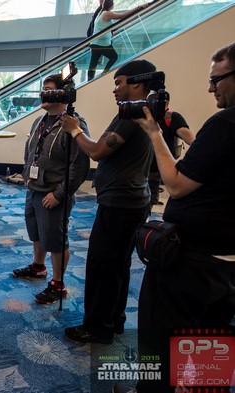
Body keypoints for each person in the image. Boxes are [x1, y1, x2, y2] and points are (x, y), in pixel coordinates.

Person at [118, 42, 235, 393]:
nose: (210, 88)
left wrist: (155, 132)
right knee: (213, 339)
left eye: (217, 79)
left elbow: (177, 183)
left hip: (191, 262)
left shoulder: (225, 123)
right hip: (226, 260)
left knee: (161, 337)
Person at [60, 59, 156, 344]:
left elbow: (98, 151)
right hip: (133, 201)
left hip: (120, 204)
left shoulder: (131, 115)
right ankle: (113, 319)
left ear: (136, 82)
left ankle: (97, 327)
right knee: (118, 265)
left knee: (102, 266)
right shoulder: (144, 111)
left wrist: (76, 130)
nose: (114, 89)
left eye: (119, 82)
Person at [12, 74, 90, 305]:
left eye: (48, 90)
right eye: (42, 90)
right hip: (34, 188)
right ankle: (38, 267)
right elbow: (31, 150)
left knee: (56, 239)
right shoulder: (40, 120)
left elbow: (79, 165)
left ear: (62, 94)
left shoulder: (73, 123)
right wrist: (28, 176)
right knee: (37, 233)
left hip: (53, 193)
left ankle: (58, 284)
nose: (42, 95)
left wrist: (59, 194)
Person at [147, 95, 195, 206]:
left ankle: (151, 208)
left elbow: (188, 136)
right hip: (143, 162)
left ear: (166, 103)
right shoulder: (147, 116)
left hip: (159, 163)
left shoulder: (172, 117)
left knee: (152, 187)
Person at [87, 0, 149, 81]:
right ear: (111, 5)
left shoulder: (101, 13)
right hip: (102, 43)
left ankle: (90, 80)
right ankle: (104, 73)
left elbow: (104, 26)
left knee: (93, 63)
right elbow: (122, 15)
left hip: (95, 42)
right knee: (114, 57)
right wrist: (138, 8)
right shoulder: (107, 13)